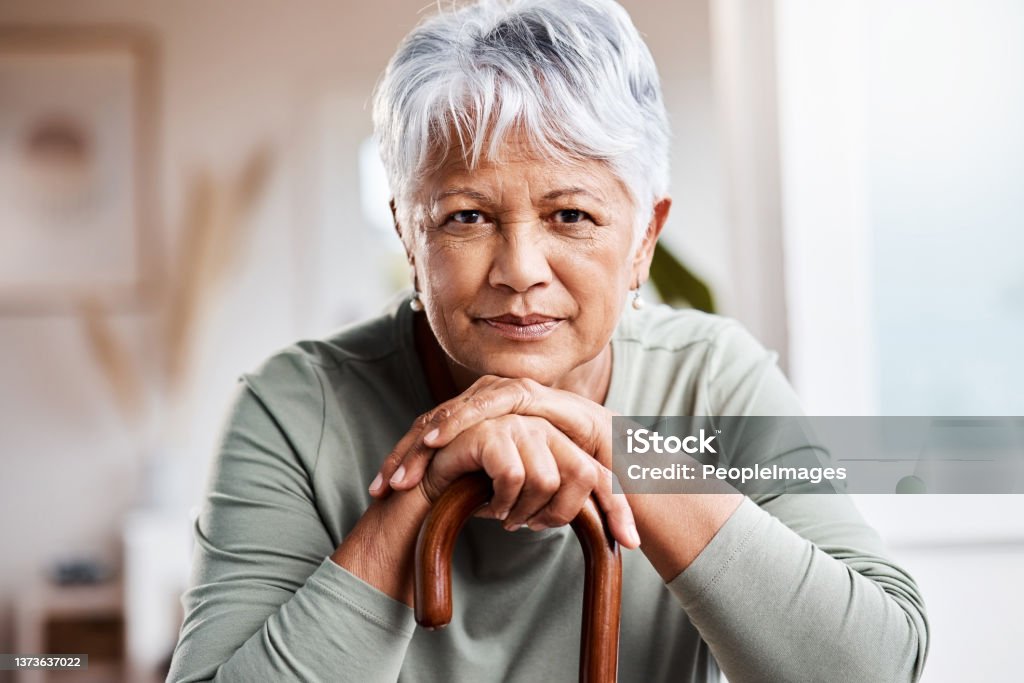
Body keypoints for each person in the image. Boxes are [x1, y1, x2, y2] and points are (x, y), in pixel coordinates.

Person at [166, 0, 929, 681]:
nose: (520, 271)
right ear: (408, 231)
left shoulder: (710, 377)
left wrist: (616, 447)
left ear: (644, 238)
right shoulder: (298, 405)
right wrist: (422, 490)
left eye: (572, 215)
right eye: (466, 216)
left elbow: (875, 666)